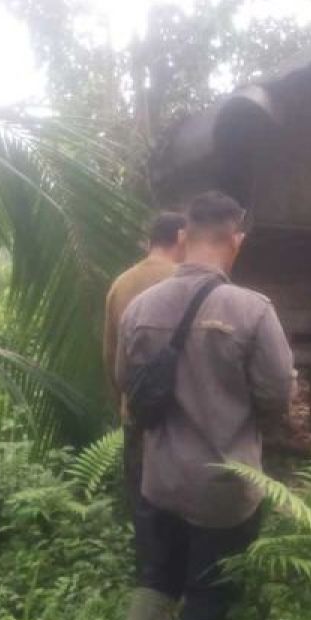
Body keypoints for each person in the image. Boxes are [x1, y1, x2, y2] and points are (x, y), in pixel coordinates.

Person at [115, 190, 295, 620]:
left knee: (155, 580)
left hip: (159, 482)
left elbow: (126, 383)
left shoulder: (139, 308)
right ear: (234, 240)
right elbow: (277, 394)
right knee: (209, 596)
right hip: (224, 490)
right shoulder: (252, 311)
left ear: (184, 237)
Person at [103, 211, 187, 512]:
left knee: (143, 506)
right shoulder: (189, 283)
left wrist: (125, 403)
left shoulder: (121, 284)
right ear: (181, 237)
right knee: (181, 511)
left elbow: (111, 356)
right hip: (182, 417)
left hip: (137, 412)